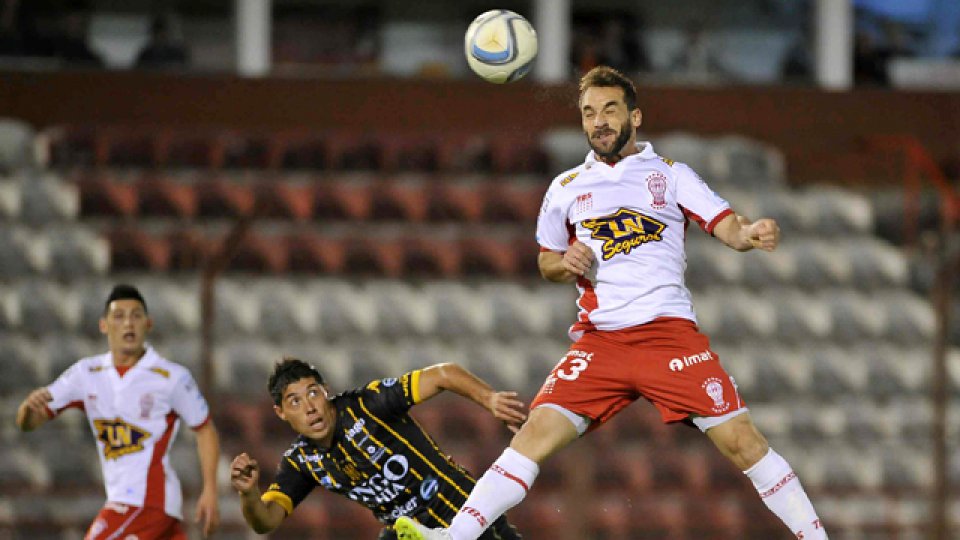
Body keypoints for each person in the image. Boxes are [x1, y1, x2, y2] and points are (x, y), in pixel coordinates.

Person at [394, 65, 827, 540]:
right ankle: (455, 538)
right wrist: (567, 262)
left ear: (634, 116)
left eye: (609, 109)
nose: (598, 121)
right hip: (601, 343)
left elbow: (728, 225)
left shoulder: (671, 176)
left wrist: (750, 232)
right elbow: (546, 262)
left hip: (668, 338)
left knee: (743, 442)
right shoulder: (564, 188)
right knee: (534, 433)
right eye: (588, 113)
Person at [229, 358, 527, 539]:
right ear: (280, 413)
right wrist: (248, 492)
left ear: (326, 391)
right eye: (295, 401)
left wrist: (489, 399)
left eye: (313, 393)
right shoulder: (302, 462)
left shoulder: (366, 405)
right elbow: (264, 521)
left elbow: (443, 374)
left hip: (460, 510)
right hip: (408, 532)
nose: (309, 408)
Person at [16, 284, 221, 539]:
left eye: (136, 316)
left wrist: (210, 490)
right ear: (104, 325)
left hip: (147, 501)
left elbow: (204, 428)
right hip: (129, 500)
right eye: (119, 316)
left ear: (148, 323)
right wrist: (27, 410)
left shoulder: (170, 377)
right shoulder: (86, 374)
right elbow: (32, 421)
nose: (128, 324)